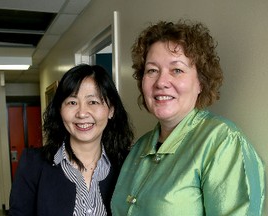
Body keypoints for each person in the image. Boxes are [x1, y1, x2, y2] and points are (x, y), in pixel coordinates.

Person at [111, 20, 265, 215]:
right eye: (152, 70)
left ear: (201, 82)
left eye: (177, 70)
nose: (161, 82)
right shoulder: (139, 148)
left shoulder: (222, 142)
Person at [9, 64, 134, 216]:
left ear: (111, 110)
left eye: (93, 102)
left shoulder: (129, 165)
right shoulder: (33, 164)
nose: (82, 113)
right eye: (72, 102)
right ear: (60, 110)